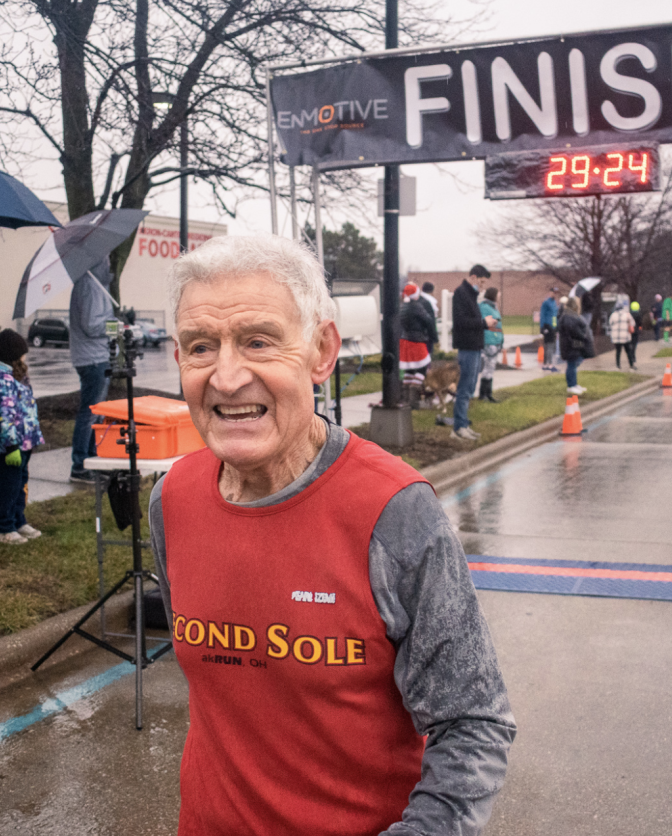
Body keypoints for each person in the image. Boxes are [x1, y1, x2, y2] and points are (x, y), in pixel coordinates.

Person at [148, 234, 514, 836]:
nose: (227, 376)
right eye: (200, 347)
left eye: (258, 341)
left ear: (321, 352)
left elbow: (472, 720)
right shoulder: (172, 499)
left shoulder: (392, 510)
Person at [0, 329, 45, 545]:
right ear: (15, 354)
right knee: (8, 483)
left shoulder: (18, 378)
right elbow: (5, 415)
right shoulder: (1, 381)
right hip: (11, 445)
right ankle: (3, 526)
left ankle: (18, 519)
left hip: (24, 441)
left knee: (20, 481)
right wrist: (11, 445)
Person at [68, 262, 116, 484]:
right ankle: (80, 464)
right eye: (105, 259)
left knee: (94, 412)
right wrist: (117, 324)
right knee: (89, 413)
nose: (109, 263)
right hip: (92, 358)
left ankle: (91, 460)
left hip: (95, 356)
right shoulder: (90, 285)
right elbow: (92, 325)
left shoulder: (94, 284)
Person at [451, 264, 490, 440]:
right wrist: (483, 323)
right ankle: (459, 426)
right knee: (464, 388)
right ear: (473, 277)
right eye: (481, 282)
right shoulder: (461, 293)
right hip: (467, 347)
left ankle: (463, 423)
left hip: (474, 346)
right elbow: (461, 322)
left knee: (469, 388)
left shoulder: (470, 295)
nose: (482, 287)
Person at [398, 282, 438, 404]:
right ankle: (414, 396)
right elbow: (429, 321)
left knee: (410, 369)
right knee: (421, 368)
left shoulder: (402, 306)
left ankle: (405, 396)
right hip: (417, 340)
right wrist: (434, 337)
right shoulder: (417, 306)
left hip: (405, 340)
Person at [558, 296, 592, 395]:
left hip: (571, 344)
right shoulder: (568, 316)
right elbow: (573, 330)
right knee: (571, 365)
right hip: (570, 345)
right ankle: (571, 385)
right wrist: (581, 336)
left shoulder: (568, 315)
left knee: (573, 364)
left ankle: (574, 384)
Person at [479, 286, 504, 402]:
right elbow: (487, 324)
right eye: (498, 294)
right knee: (488, 366)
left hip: (495, 340)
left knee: (491, 367)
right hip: (490, 341)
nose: (499, 296)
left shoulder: (493, 307)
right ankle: (484, 394)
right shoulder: (485, 308)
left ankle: (487, 393)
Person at [608, 300, 636, 370]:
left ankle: (618, 365)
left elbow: (610, 324)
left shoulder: (613, 315)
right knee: (628, 351)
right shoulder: (627, 314)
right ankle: (631, 365)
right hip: (625, 336)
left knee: (618, 351)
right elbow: (633, 323)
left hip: (616, 337)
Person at [539, 287, 561, 371]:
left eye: (556, 293)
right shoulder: (546, 303)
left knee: (550, 345)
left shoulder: (554, 303)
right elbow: (542, 315)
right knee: (549, 345)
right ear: (550, 292)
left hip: (553, 326)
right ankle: (549, 364)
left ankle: (546, 364)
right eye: (553, 292)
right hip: (547, 325)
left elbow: (555, 316)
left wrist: (556, 326)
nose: (554, 294)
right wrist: (542, 327)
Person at [419, 281, 439, 357]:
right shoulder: (430, 302)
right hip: (427, 335)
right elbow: (432, 321)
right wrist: (434, 337)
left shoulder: (418, 299)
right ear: (432, 291)